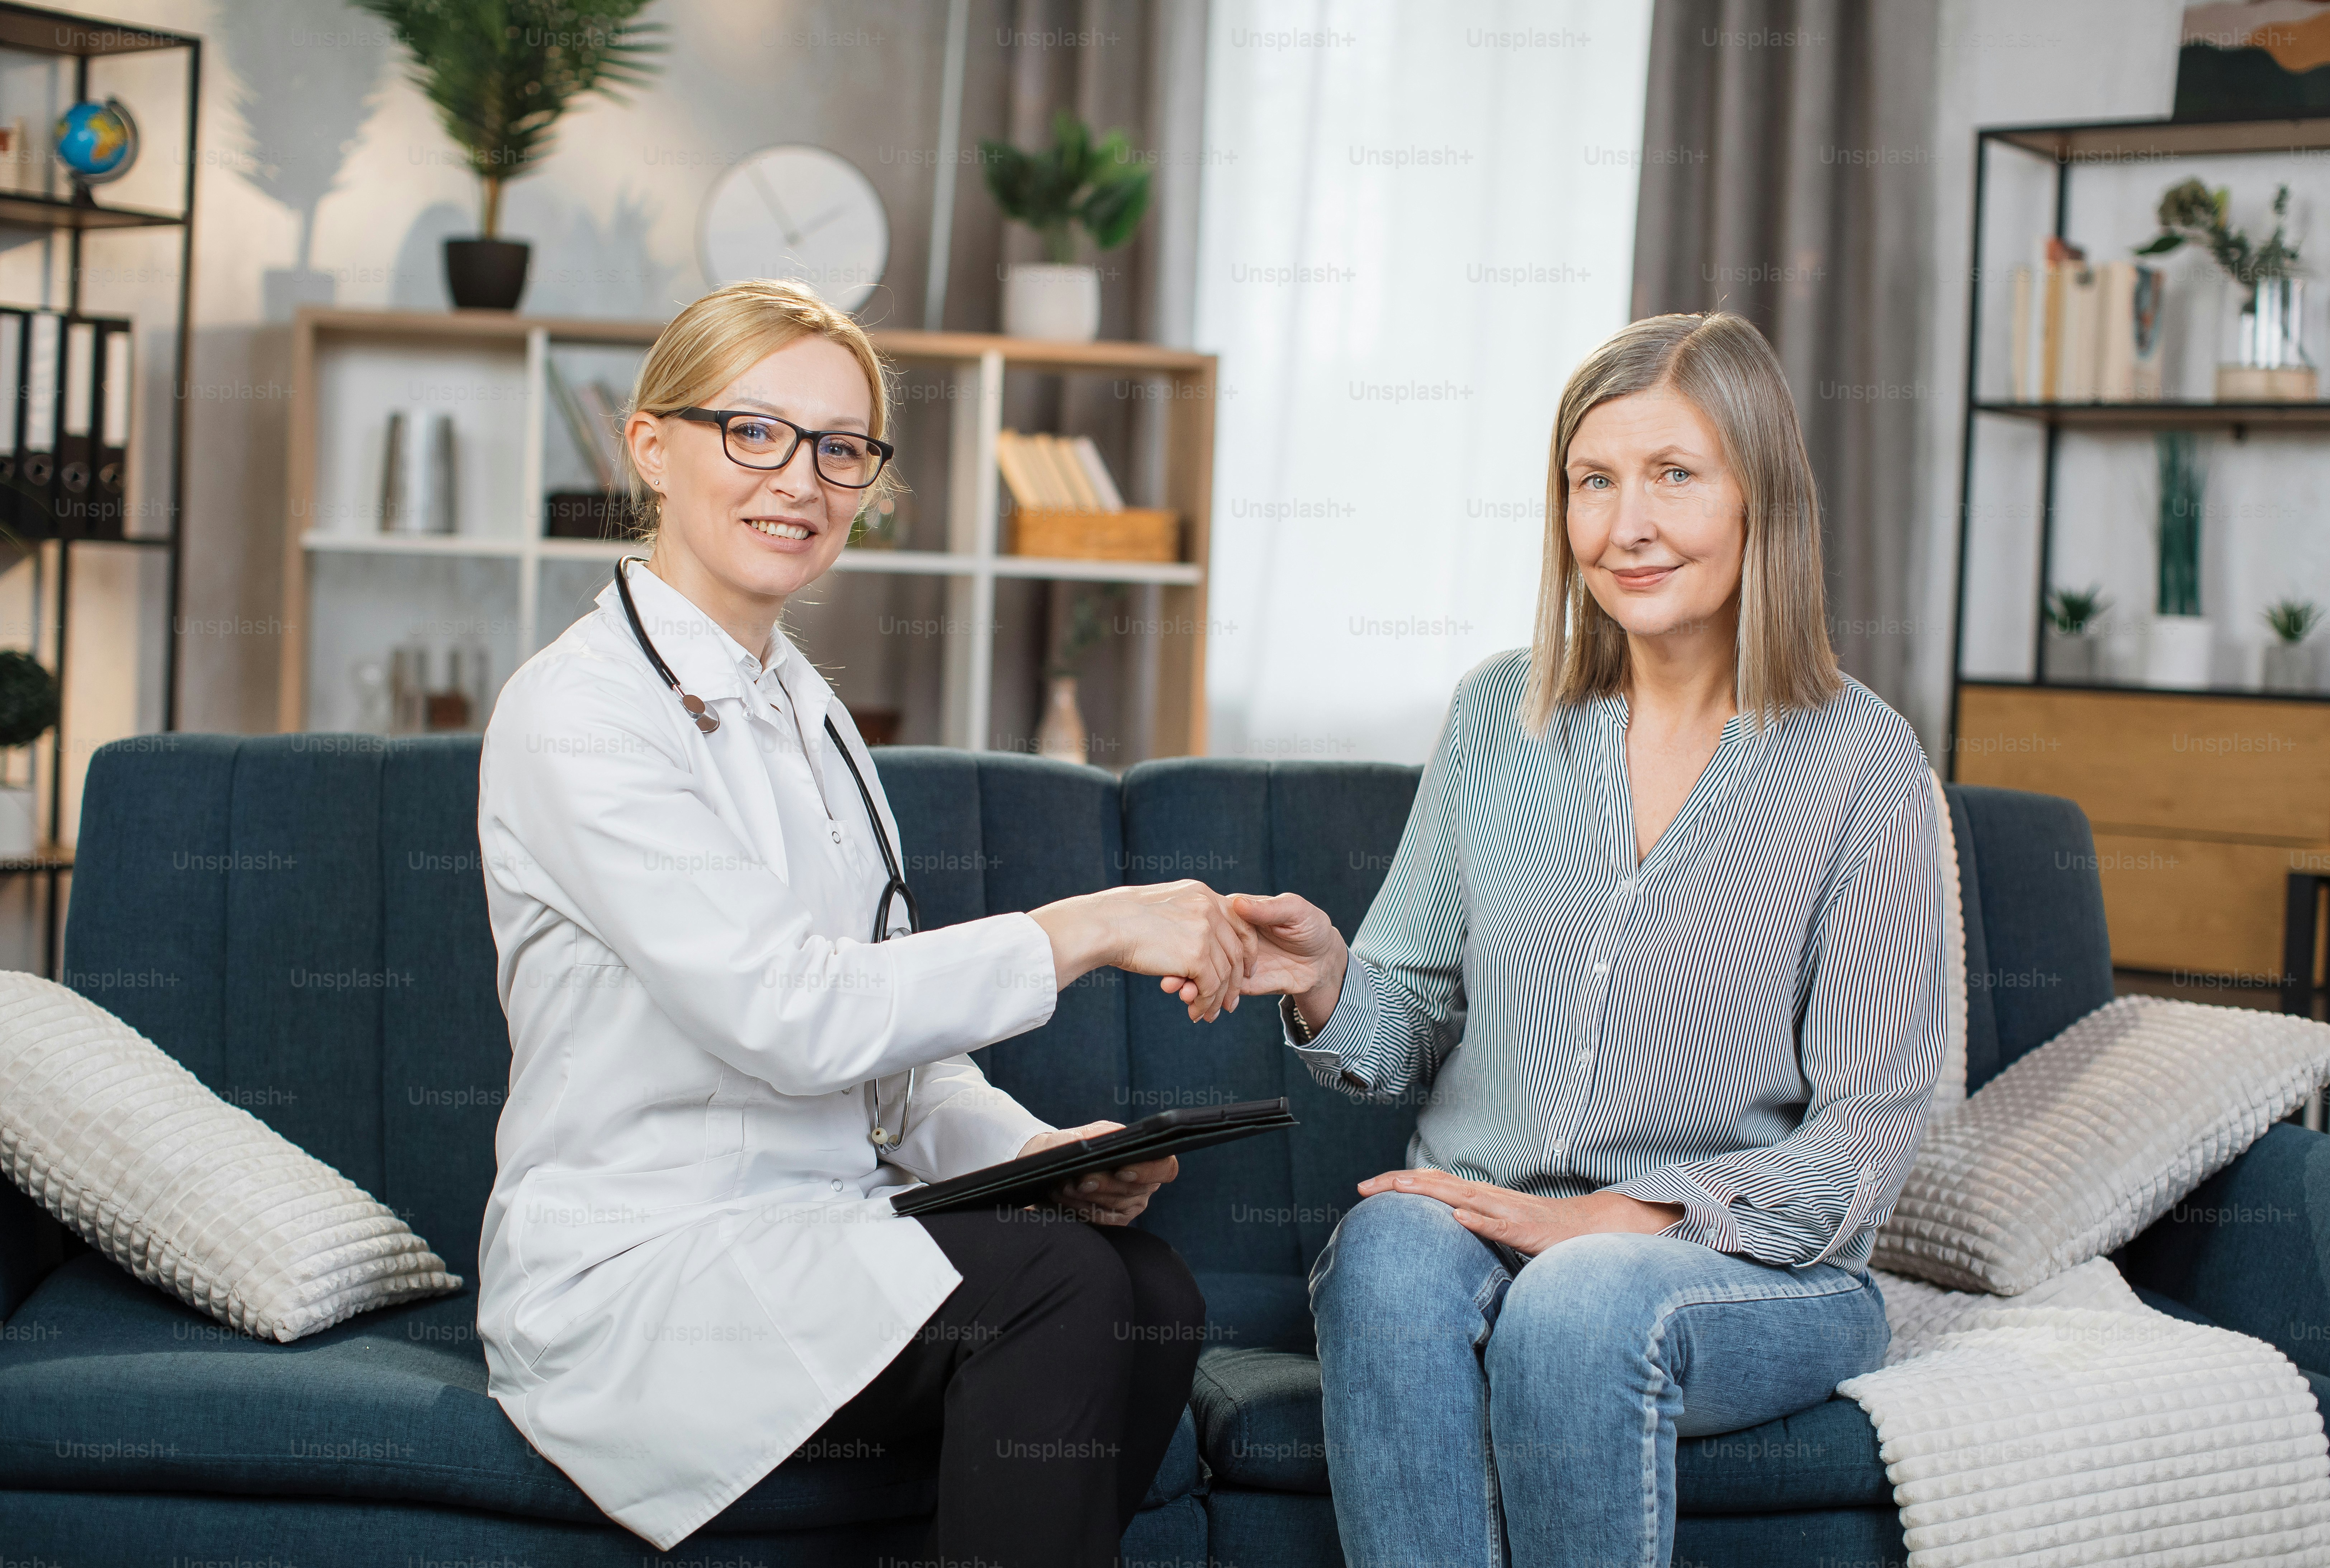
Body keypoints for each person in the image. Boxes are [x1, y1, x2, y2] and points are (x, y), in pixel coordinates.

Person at [474, 278, 1248, 1561]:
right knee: (1055, 1290)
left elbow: (898, 1063)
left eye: (842, 449)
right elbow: (794, 1016)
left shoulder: (813, 713)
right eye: (755, 432)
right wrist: (1096, 925)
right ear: (653, 447)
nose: (802, 481)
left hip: (817, 1236)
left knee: (1147, 1286)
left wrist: (1042, 1166)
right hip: (646, 1269)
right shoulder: (581, 714)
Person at [1230, 311, 1947, 1566]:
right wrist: (1331, 980)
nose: (1629, 526)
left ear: (1759, 500)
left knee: (1577, 1299)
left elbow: (1868, 1134)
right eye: (1593, 482)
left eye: (1676, 475)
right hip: (1485, 1213)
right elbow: (1397, 1024)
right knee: (1391, 1250)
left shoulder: (1862, 761)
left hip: (1736, 1269)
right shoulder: (1499, 717)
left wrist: (1624, 1219)